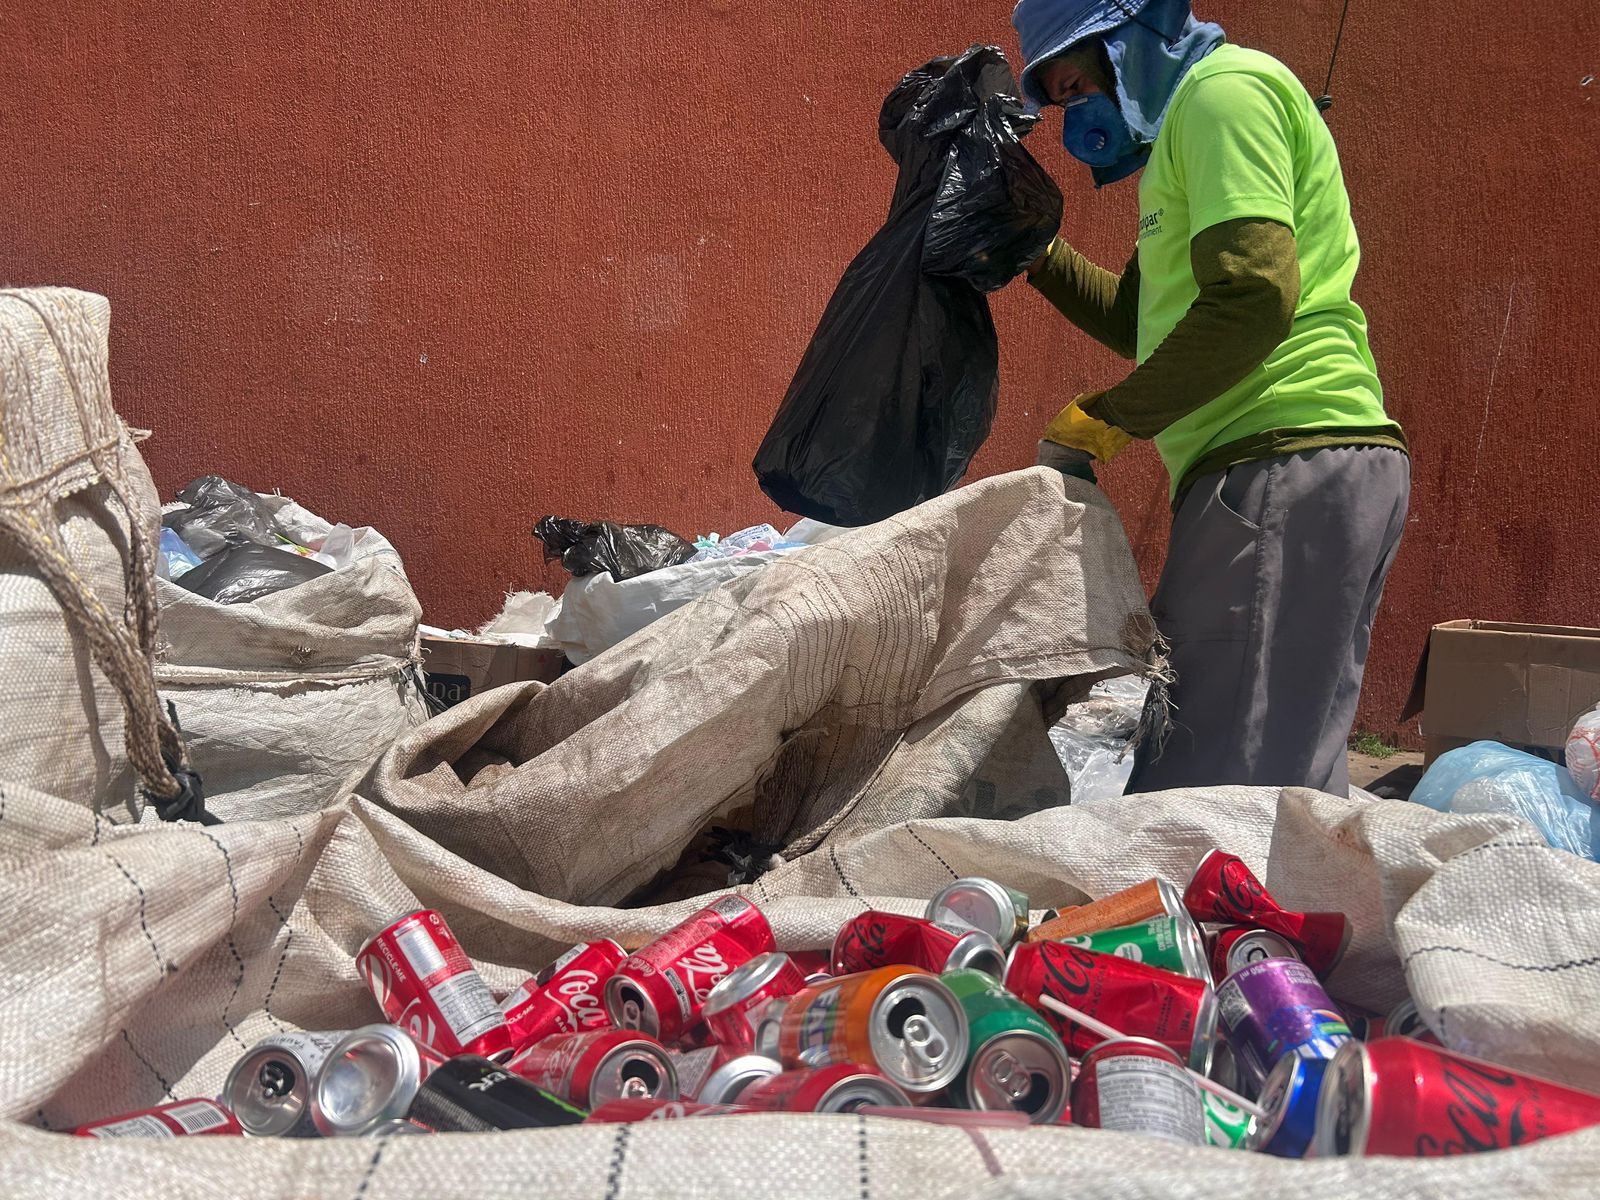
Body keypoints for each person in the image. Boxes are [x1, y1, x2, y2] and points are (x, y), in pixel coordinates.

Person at [1010, 0, 1410, 798]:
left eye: (1079, 83)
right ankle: (1268, 918)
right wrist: (1036, 250)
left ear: (1132, 41)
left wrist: (1110, 421)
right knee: (1279, 776)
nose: (1076, 113)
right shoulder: (1180, 140)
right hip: (1283, 465)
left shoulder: (1224, 96)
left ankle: (1189, 925)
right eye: (1059, 100)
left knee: (1207, 781)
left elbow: (1254, 296)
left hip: (1280, 455)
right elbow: (1141, 321)